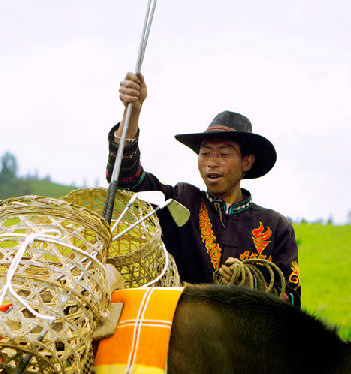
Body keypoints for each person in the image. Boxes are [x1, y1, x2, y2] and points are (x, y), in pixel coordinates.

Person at [105, 72, 301, 306]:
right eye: (205, 153)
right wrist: (132, 112)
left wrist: (252, 288)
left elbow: (292, 302)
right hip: (182, 332)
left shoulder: (275, 227)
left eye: (224, 154)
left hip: (245, 339)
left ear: (246, 162)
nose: (212, 162)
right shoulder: (180, 202)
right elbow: (128, 179)